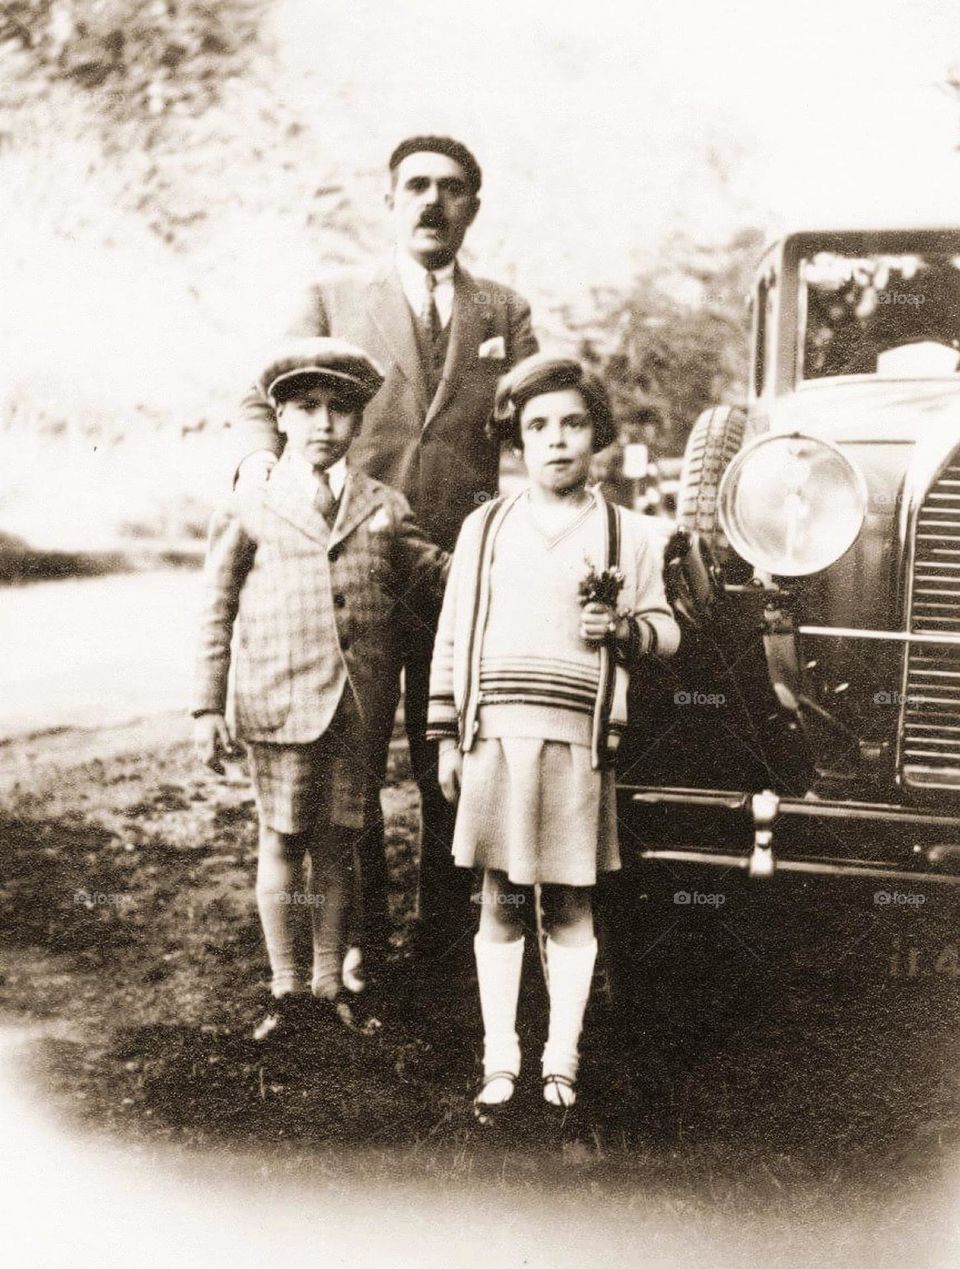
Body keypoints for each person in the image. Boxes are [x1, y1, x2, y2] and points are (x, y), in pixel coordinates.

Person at [228, 135, 538, 968]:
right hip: (355, 569)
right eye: (416, 186)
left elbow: (543, 416)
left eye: (452, 188)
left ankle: (443, 938)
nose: (433, 202)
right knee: (349, 765)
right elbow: (260, 397)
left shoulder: (503, 312)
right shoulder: (331, 297)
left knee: (455, 753)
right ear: (390, 200)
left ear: (474, 204)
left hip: (451, 575)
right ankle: (354, 944)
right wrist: (262, 468)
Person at [427, 355, 680, 1116]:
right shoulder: (486, 527)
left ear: (596, 433)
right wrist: (447, 732)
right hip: (497, 735)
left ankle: (560, 1056)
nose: (557, 440)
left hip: (576, 740)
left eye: (573, 422)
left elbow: (668, 632)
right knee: (500, 896)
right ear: (516, 439)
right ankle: (500, 1055)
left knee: (570, 898)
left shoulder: (627, 534)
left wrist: (626, 630)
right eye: (538, 425)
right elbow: (453, 633)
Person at [193, 338, 448, 1041]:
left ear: (360, 423)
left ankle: (330, 981)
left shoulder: (384, 507)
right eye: (306, 408)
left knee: (338, 845)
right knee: (281, 838)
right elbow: (216, 607)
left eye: (341, 410)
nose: (324, 423)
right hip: (277, 701)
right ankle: (285, 988)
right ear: (280, 416)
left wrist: (503, 551)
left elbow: (436, 572)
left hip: (356, 707)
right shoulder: (252, 504)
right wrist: (206, 704)